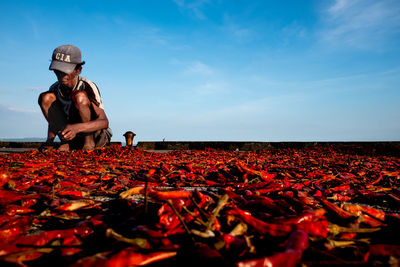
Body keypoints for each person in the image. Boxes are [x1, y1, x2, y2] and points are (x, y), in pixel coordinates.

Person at [38, 45, 112, 151]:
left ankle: (88, 141)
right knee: (45, 98)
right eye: (58, 70)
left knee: (79, 96)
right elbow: (53, 119)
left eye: (65, 70)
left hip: (96, 135)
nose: (61, 74)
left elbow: (104, 122)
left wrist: (76, 128)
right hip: (72, 136)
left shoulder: (87, 86)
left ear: (78, 70)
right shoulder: (54, 89)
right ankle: (66, 142)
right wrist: (50, 141)